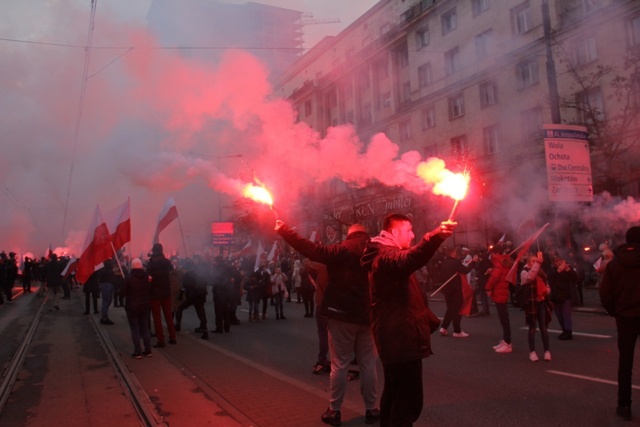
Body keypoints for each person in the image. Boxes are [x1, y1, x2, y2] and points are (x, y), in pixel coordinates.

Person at [276, 220, 380, 426]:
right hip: (369, 315)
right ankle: (372, 409)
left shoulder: (340, 250)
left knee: (339, 364)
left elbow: (311, 250)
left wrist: (285, 231)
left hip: (341, 315)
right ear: (365, 235)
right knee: (368, 364)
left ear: (349, 236)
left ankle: (335, 410)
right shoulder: (377, 251)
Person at [361, 213, 455, 427]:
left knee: (394, 398)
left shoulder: (384, 252)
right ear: (394, 232)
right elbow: (409, 259)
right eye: (408, 231)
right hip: (400, 341)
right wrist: (435, 237)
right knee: (407, 404)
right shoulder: (385, 256)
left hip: (396, 340)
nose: (413, 235)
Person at [599, 226, 640, 421]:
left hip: (625, 318)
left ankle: (624, 405)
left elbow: (605, 293)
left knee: (625, 363)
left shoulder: (614, 264)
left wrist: (614, 311)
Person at [521, 252, 552, 362]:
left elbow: (547, 285)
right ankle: (532, 352)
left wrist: (546, 290)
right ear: (529, 263)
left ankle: (547, 351)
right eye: (532, 261)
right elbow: (530, 277)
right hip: (531, 303)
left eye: (536, 261)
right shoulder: (524, 272)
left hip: (541, 302)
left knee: (543, 328)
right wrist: (538, 263)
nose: (535, 263)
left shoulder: (541, 272)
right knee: (532, 328)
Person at [438, 246, 476, 337]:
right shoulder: (455, 263)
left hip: (447, 290)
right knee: (457, 309)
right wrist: (473, 262)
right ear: (452, 253)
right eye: (455, 252)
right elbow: (465, 270)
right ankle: (457, 331)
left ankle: (444, 327)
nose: (456, 253)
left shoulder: (444, 263)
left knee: (450, 309)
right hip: (455, 290)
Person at [120, 258, 152, 358]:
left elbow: (122, 293)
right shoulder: (146, 277)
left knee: (135, 329)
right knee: (145, 328)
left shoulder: (128, 278)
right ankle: (148, 350)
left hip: (132, 306)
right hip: (145, 305)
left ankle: (138, 351)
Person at [484, 244, 514, 353]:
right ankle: (506, 340)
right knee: (504, 318)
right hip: (503, 292)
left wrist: (487, 288)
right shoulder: (504, 262)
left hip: (499, 293)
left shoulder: (499, 264)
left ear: (496, 254)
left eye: (492, 253)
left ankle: (507, 343)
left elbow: (494, 278)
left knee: (504, 319)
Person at [147, 243, 177, 347]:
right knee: (168, 316)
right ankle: (173, 337)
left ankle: (161, 340)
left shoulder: (151, 264)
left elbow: (149, 279)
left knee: (157, 318)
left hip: (155, 294)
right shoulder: (167, 262)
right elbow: (172, 271)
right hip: (166, 292)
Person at [175, 257, 209, 340]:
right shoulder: (203, 274)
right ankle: (205, 331)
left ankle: (178, 325)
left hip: (192, 296)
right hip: (200, 295)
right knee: (201, 313)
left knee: (179, 308)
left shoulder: (187, 274)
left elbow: (184, 286)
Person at [548, 255, 578, 340]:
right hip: (556, 296)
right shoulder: (552, 271)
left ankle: (568, 331)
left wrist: (569, 271)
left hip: (566, 295)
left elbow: (575, 279)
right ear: (554, 263)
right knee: (559, 315)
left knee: (566, 314)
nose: (559, 263)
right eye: (557, 261)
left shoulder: (567, 269)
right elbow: (551, 279)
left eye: (560, 261)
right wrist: (558, 271)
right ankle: (564, 329)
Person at [98, 259, 118, 324]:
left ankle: (104, 316)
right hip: (107, 285)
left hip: (107, 285)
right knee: (106, 301)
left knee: (107, 301)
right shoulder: (106, 269)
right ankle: (104, 318)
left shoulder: (103, 268)